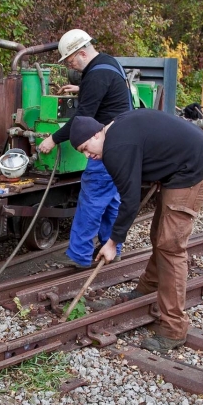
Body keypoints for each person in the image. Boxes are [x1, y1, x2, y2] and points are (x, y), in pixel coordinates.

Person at [70, 111, 203, 353]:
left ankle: (174, 329)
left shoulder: (116, 147)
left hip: (193, 170)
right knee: (159, 237)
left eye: (87, 147)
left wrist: (113, 241)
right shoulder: (115, 129)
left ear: (97, 133)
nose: (89, 155)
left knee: (170, 246)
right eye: (82, 152)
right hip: (179, 168)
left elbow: (128, 200)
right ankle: (146, 289)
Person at [36, 29, 132, 269]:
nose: (72, 66)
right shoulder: (108, 62)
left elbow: (81, 119)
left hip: (107, 146)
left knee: (92, 199)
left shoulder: (95, 76)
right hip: (124, 144)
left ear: (82, 53)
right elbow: (112, 91)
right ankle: (114, 249)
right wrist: (82, 90)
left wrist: (53, 139)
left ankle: (79, 256)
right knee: (111, 200)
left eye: (71, 61)